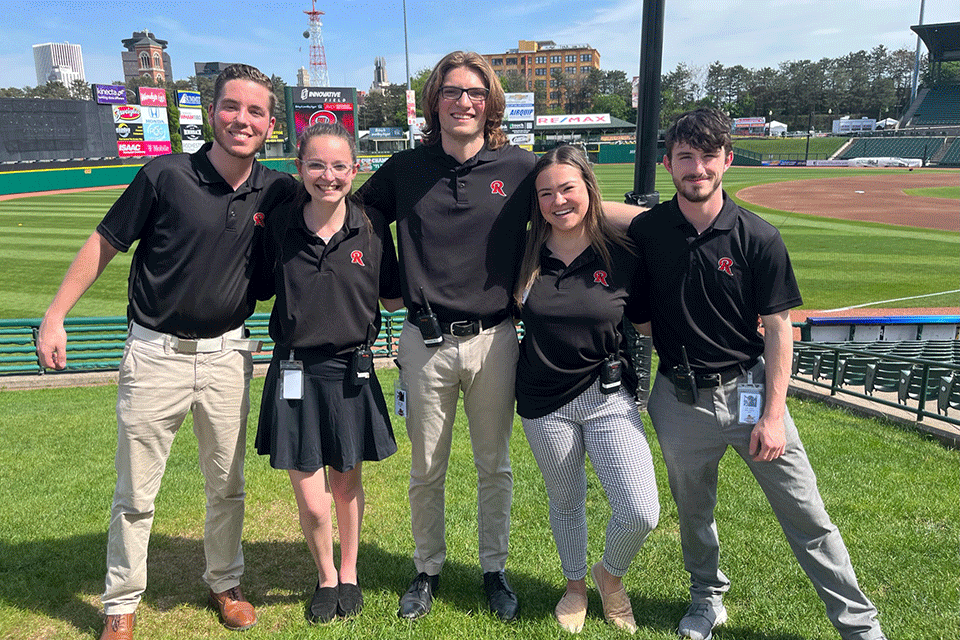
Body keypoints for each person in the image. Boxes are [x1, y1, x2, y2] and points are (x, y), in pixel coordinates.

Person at [36, 64, 295, 640]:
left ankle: (225, 583)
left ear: (271, 124)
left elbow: (335, 208)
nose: (241, 120)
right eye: (232, 107)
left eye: (255, 111)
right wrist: (55, 315)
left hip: (230, 355)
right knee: (136, 492)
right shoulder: (165, 174)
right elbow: (104, 243)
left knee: (227, 485)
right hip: (155, 353)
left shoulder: (278, 189)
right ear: (212, 112)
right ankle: (121, 602)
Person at [628, 108, 888, 640]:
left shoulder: (758, 236)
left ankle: (859, 626)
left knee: (806, 514)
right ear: (667, 164)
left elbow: (777, 328)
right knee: (694, 514)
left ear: (726, 160)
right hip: (678, 398)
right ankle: (707, 599)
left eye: (706, 157)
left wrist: (772, 415)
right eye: (684, 157)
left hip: (748, 390)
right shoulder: (648, 232)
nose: (695, 168)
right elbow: (639, 312)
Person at [354, 50, 534, 622]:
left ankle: (493, 570)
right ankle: (427, 568)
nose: (464, 101)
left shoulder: (521, 168)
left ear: (490, 104)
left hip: (495, 338)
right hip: (424, 340)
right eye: (452, 91)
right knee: (427, 467)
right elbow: (358, 216)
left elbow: (572, 212)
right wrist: (389, 287)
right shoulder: (408, 168)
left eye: (475, 93)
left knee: (494, 465)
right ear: (435, 101)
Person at [254, 122, 403, 623]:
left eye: (339, 166)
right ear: (299, 169)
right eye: (316, 165)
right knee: (315, 504)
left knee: (345, 487)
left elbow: (395, 290)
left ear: (354, 169)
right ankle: (324, 577)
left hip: (352, 373)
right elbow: (250, 283)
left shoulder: (372, 225)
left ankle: (350, 573)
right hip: (294, 371)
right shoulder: (279, 224)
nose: (328, 176)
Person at [514, 146, 659, 634]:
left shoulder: (621, 252)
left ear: (590, 190)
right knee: (567, 500)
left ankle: (609, 576)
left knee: (640, 509)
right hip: (543, 401)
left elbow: (645, 322)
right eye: (546, 193)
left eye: (568, 188)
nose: (558, 201)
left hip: (607, 396)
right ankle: (575, 585)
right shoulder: (526, 251)